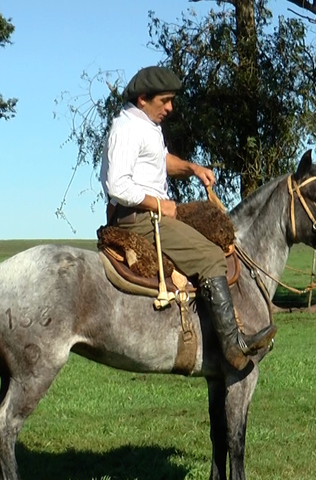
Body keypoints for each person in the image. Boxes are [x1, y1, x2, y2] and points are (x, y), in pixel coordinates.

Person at [100, 65, 275, 370]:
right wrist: (159, 205)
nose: (170, 108)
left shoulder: (145, 124)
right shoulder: (126, 129)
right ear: (143, 98)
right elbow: (117, 185)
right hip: (137, 219)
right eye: (164, 101)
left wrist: (192, 168)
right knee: (210, 255)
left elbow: (160, 160)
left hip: (150, 213)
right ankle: (233, 346)